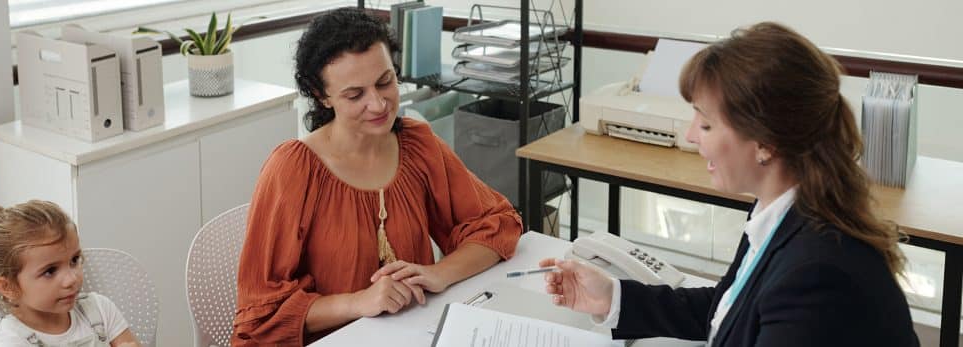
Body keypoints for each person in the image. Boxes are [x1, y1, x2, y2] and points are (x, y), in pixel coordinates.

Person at [541, 22, 919, 346]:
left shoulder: (817, 275)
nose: (690, 136)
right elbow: (730, 308)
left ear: (766, 143)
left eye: (705, 124)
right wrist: (612, 297)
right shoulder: (781, 211)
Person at [232, 8, 523, 346]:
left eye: (385, 82)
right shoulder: (293, 170)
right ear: (320, 94)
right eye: (355, 95)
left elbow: (498, 224)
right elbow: (261, 314)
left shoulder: (418, 144)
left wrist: (438, 274)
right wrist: (359, 302)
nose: (379, 105)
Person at [0, 200, 141, 347]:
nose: (71, 279)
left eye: (74, 260)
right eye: (50, 271)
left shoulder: (100, 311)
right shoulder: (8, 343)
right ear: (8, 287)